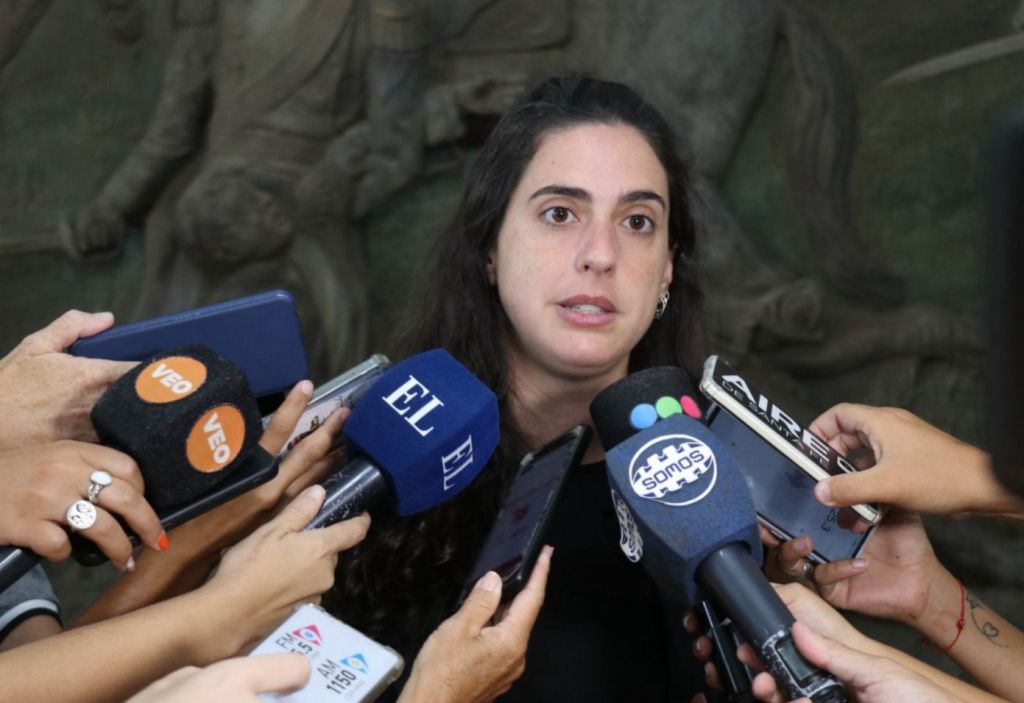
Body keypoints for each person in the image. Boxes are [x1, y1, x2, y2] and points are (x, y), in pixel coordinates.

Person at [325, 74, 710, 701]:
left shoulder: (722, 487)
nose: (600, 254)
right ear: (490, 249)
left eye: (638, 221)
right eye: (560, 214)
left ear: (668, 266)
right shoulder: (367, 469)